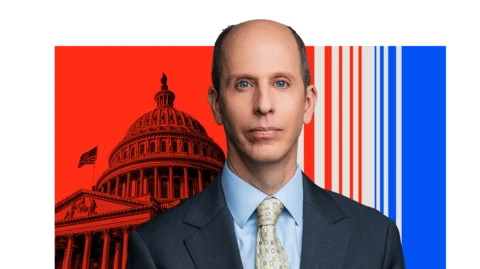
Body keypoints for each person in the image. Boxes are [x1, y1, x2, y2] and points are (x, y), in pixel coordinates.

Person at [126, 18, 406, 269]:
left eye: (281, 83)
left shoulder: (376, 239)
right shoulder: (155, 247)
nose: (263, 105)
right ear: (217, 105)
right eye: (244, 84)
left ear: (308, 104)